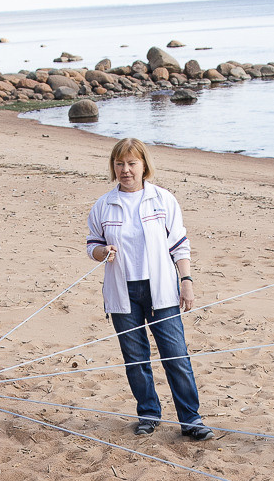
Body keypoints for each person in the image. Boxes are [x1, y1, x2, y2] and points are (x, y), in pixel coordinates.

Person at [84, 138, 212, 439]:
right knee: (136, 358)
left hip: (161, 290)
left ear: (144, 166)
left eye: (131, 163)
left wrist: (187, 282)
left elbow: (180, 245)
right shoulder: (104, 205)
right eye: (119, 164)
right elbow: (93, 244)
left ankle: (191, 420)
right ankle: (149, 414)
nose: (125, 170)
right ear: (113, 167)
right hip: (122, 291)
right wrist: (102, 253)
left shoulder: (163, 199)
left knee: (176, 356)